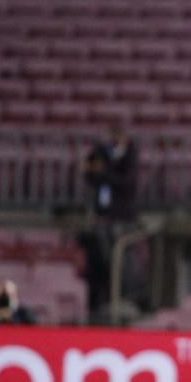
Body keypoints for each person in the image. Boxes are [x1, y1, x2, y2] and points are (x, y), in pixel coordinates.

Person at [82, 125, 139, 319]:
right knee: (102, 258)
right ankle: (104, 298)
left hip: (122, 216)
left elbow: (127, 182)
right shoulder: (101, 152)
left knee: (122, 257)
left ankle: (126, 296)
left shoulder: (130, 156)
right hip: (103, 214)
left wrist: (104, 172)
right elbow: (89, 172)